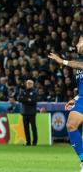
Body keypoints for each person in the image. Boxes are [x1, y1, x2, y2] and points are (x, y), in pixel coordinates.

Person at [48, 36, 83, 171]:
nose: (78, 44)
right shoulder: (78, 63)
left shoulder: (78, 64)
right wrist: (75, 98)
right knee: (71, 125)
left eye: (81, 41)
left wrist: (62, 61)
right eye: (78, 42)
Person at [18, 79, 38, 146]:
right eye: (28, 83)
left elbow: (33, 101)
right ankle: (28, 142)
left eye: (30, 83)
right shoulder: (23, 91)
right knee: (26, 128)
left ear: (32, 84)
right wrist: (28, 99)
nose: (29, 84)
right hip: (25, 112)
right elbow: (19, 99)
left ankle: (34, 142)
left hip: (32, 112)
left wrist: (25, 99)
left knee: (33, 128)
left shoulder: (34, 92)